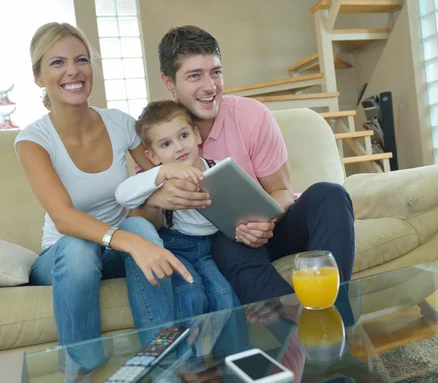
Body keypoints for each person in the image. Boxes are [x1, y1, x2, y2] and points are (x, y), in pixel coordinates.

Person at [15, 22, 192, 379]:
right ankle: (82, 373)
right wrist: (132, 242)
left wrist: (176, 190)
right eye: (57, 63)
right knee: (80, 247)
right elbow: (64, 218)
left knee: (140, 224)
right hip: (63, 257)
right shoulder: (33, 139)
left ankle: (163, 366)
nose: (73, 71)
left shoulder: (120, 124)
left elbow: (157, 177)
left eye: (81, 60)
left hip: (114, 250)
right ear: (38, 76)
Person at [144, 25, 355, 306]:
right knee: (228, 246)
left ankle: (336, 319)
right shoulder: (158, 133)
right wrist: (158, 198)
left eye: (215, 72)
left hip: (273, 226)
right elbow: (142, 215)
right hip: (228, 244)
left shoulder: (252, 116)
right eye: (194, 76)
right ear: (169, 82)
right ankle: (298, 335)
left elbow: (280, 190)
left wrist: (266, 220)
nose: (210, 86)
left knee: (330, 194)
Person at [115, 100, 240, 320]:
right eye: (166, 144)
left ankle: (232, 354)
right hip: (177, 248)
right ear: (153, 157)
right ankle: (188, 355)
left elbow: (243, 198)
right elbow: (122, 195)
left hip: (212, 247)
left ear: (196, 135)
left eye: (183, 136)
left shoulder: (220, 167)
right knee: (190, 295)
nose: (179, 147)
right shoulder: (159, 177)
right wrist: (163, 172)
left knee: (225, 296)